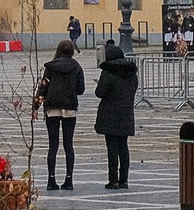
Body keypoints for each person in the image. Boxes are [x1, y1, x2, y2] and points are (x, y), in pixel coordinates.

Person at [40, 38, 86, 192]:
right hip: (70, 108)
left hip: (52, 108)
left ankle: (51, 180)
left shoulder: (50, 67)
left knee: (53, 145)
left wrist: (35, 106)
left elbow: (43, 88)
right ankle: (69, 180)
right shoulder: (77, 67)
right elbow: (81, 89)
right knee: (68, 145)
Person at [93, 37, 138, 190]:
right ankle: (124, 180)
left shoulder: (108, 73)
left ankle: (113, 180)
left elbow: (99, 93)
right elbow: (132, 90)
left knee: (112, 148)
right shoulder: (131, 73)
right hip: (126, 114)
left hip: (109, 115)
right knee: (123, 147)